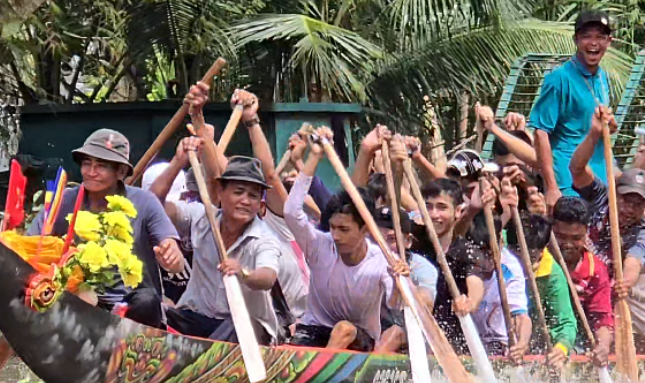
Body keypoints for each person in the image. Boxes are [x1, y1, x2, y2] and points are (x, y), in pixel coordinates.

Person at [31, 127, 183, 328]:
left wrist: (171, 257)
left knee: (147, 300)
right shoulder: (65, 200)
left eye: (101, 166)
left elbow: (175, 258)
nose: (91, 172)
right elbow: (32, 242)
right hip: (78, 299)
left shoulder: (145, 202)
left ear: (120, 172)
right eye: (87, 164)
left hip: (134, 307)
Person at [284, 127, 408, 351]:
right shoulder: (319, 246)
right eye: (332, 227)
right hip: (314, 329)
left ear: (364, 231)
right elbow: (292, 211)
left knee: (344, 329)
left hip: (358, 339)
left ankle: (318, 376)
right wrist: (314, 157)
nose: (336, 236)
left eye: (344, 229)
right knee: (290, 345)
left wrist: (400, 283)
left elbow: (395, 303)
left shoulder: (382, 260)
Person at [570, 106, 645, 354]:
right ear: (616, 194)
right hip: (590, 272)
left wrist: (625, 282)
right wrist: (594, 135)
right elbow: (576, 169)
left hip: (628, 281)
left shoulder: (644, 232)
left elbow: (632, 264)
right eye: (625, 200)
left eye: (637, 203)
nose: (629, 208)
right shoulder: (601, 196)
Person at [155, 142, 283, 343]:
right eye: (238, 192)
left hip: (243, 326)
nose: (245, 201)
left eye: (253, 196)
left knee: (238, 329)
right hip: (197, 318)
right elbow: (154, 203)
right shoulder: (201, 217)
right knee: (152, 310)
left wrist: (244, 273)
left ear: (260, 204)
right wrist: (179, 162)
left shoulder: (265, 238)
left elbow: (267, 277)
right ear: (221, 193)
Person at [529, 11, 614, 207]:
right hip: (568, 184)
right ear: (576, 40)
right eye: (587, 36)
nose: (593, 42)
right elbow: (541, 132)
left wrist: (610, 123)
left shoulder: (602, 77)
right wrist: (551, 187)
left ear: (609, 41)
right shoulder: (558, 79)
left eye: (600, 37)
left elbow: (596, 127)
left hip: (599, 179)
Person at [411, 176, 489, 350]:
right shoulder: (411, 240)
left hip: (451, 343)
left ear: (458, 212)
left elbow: (475, 288)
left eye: (442, 207)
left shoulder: (468, 253)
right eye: (428, 206)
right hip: (413, 334)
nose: (433, 215)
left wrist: (468, 303)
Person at [551, 197, 614, 367]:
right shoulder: (540, 260)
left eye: (576, 238)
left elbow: (603, 319)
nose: (568, 244)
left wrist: (603, 346)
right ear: (552, 230)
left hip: (578, 338)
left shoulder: (596, 270)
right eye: (561, 237)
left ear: (586, 233)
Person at [373, 205, 438, 355]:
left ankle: (370, 367)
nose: (383, 248)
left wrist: (404, 282)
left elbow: (426, 304)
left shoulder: (421, 267)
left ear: (407, 241)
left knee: (395, 332)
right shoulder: (365, 260)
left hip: (407, 331)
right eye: (376, 239)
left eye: (391, 239)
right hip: (373, 326)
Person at [468, 213, 532, 362]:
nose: (484, 260)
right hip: (468, 338)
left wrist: (522, 343)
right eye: (479, 253)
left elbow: (520, 316)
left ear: (501, 243)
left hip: (498, 343)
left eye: (489, 253)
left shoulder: (511, 267)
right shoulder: (461, 258)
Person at [515, 212, 576, 369]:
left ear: (542, 251)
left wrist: (561, 349)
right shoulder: (499, 261)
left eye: (531, 257)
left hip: (533, 342)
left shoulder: (552, 274)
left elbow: (565, 322)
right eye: (518, 255)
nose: (523, 263)